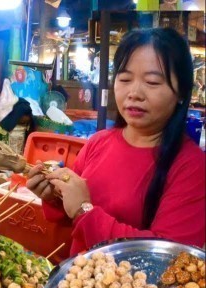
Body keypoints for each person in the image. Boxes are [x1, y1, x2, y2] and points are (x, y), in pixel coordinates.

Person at [27, 28, 205, 255]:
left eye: (152, 82)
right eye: (125, 79)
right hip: (76, 282)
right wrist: (53, 196)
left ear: (181, 92)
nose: (134, 93)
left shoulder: (192, 166)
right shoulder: (98, 142)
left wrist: (85, 210)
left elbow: (170, 258)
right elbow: (70, 222)